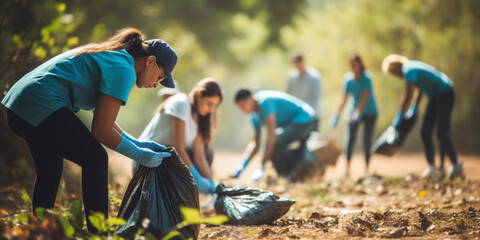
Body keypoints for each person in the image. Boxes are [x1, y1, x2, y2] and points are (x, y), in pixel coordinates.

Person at [1, 28, 178, 232]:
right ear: (150, 61)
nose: (156, 84)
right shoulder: (124, 70)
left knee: (50, 167)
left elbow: (104, 118)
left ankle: (40, 229)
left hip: (20, 104)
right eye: (160, 76)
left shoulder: (116, 57)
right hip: (40, 101)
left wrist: (138, 143)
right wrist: (138, 154)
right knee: (95, 158)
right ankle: (100, 233)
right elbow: (101, 131)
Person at [382, 54, 462, 179]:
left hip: (444, 92)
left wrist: (400, 113)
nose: (397, 76)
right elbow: (419, 88)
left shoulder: (408, 69)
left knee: (442, 131)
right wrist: (415, 106)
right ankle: (433, 167)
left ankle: (455, 166)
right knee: (425, 130)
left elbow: (408, 93)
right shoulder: (412, 67)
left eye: (394, 73)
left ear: (396, 67)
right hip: (435, 95)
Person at [136, 78, 222, 194]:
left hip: (166, 160)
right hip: (147, 159)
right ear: (198, 94)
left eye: (214, 106)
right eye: (209, 104)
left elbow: (200, 157)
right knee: (175, 155)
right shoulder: (181, 104)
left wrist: (212, 184)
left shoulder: (200, 117)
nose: (211, 110)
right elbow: (178, 147)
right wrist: (197, 179)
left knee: (208, 153)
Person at [232, 89, 316, 181]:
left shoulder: (265, 103)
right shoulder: (254, 117)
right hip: (290, 123)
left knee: (275, 143)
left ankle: (295, 172)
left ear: (250, 98)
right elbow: (255, 144)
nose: (242, 110)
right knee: (273, 145)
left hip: (305, 118)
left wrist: (262, 166)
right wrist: (242, 166)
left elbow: (272, 137)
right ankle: (285, 175)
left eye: (242, 105)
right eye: (239, 107)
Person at [331, 54, 378, 178]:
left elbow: (364, 97)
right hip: (353, 112)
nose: (352, 66)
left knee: (366, 140)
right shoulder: (348, 79)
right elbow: (344, 98)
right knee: (350, 140)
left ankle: (367, 169)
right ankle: (347, 170)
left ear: (359, 64)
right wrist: (337, 112)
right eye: (350, 64)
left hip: (369, 112)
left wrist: (358, 112)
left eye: (354, 63)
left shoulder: (366, 78)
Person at [287, 54, 322, 130]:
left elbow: (315, 97)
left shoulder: (314, 76)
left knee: (312, 139)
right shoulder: (291, 77)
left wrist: (303, 108)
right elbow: (289, 95)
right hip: (297, 117)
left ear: (302, 62)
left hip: (313, 115)